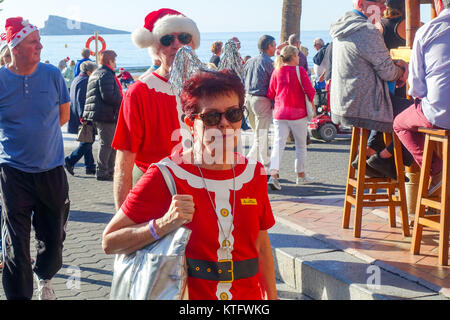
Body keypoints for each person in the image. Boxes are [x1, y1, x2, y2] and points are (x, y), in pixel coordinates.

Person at [102, 70, 278, 300]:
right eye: (212, 117)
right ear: (190, 123)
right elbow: (110, 241)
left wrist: (272, 298)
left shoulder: (253, 173)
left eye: (234, 114)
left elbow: (261, 244)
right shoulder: (165, 175)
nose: (225, 124)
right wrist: (163, 224)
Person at [0, 17, 70, 300]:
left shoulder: (53, 74)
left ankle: (46, 277)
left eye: (40, 40)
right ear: (15, 48)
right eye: (33, 42)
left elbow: (64, 115)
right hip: (12, 171)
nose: (40, 46)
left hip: (51, 170)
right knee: (16, 244)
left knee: (53, 239)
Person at [112, 8, 201, 211]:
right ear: (155, 47)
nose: (176, 45)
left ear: (192, 43)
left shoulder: (209, 87)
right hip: (155, 194)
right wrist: (122, 217)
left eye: (184, 37)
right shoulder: (139, 92)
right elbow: (124, 163)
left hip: (202, 191)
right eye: (167, 39)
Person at [393, 0, 450, 194]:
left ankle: (436, 169)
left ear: (439, 3)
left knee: (400, 123)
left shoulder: (427, 31)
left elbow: (416, 88)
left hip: (440, 113)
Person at [266, 45, 316, 190]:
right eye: (298, 55)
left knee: (278, 145)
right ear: (293, 56)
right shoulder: (299, 71)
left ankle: (273, 175)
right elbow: (310, 91)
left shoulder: (277, 71)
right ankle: (301, 176)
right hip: (297, 114)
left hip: (280, 113)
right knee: (300, 145)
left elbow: (271, 93)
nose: (299, 58)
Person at [82, 50, 123, 181]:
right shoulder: (106, 74)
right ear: (109, 61)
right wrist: (123, 99)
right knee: (107, 144)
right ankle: (103, 171)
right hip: (106, 115)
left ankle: (110, 170)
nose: (115, 63)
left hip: (100, 114)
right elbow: (108, 97)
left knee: (110, 143)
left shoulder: (97, 73)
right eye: (114, 60)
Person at [243, 35, 277, 169]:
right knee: (260, 136)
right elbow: (274, 84)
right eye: (274, 45)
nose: (275, 48)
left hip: (248, 99)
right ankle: (250, 164)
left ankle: (263, 163)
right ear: (269, 46)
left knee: (258, 134)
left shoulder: (250, 61)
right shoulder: (269, 63)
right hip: (261, 100)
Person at [65, 61, 98, 176]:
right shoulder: (84, 81)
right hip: (84, 115)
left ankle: (90, 166)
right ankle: (70, 160)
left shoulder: (77, 79)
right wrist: (83, 116)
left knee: (87, 140)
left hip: (77, 114)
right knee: (87, 142)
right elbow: (80, 100)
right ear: (89, 72)